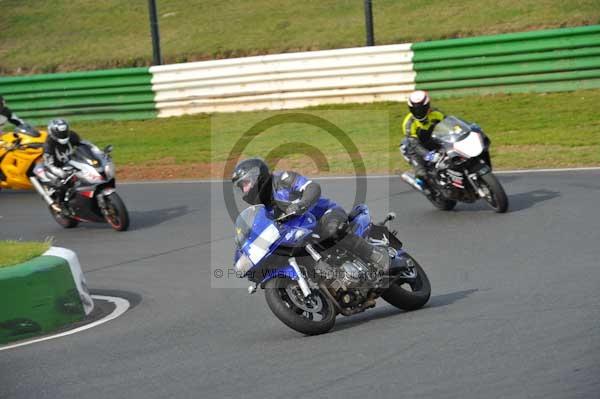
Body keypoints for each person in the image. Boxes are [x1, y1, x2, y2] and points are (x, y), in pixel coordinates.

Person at [231, 158, 388, 268]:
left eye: (244, 184)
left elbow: (312, 187)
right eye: (241, 188)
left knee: (332, 231)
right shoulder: (264, 210)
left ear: (256, 176)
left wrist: (301, 204)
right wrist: (245, 248)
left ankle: (376, 256)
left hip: (324, 214)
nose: (244, 191)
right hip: (302, 232)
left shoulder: (283, 180)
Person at [400, 90, 445, 189]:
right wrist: (428, 155)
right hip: (416, 150)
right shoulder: (408, 124)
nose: (418, 112)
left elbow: (448, 125)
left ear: (427, 106)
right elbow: (415, 145)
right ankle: (423, 186)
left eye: (421, 109)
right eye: (415, 110)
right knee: (422, 174)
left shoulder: (436, 114)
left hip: (435, 143)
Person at [41, 119, 82, 212]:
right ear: (53, 133)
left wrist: (96, 152)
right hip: (56, 167)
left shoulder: (72, 135)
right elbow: (48, 164)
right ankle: (62, 205)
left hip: (73, 163)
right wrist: (60, 172)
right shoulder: (48, 144)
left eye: (64, 132)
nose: (62, 135)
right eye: (59, 133)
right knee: (61, 185)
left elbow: (83, 145)